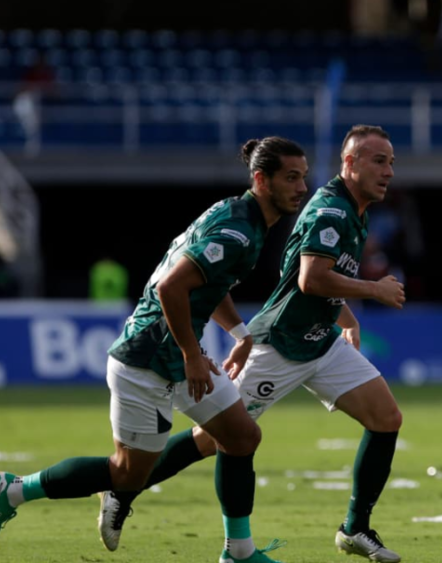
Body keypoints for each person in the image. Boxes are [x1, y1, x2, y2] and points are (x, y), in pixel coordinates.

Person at [96, 125, 407, 562]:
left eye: (391, 162)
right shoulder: (332, 211)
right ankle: (124, 490)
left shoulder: (353, 209)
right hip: (279, 345)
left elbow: (304, 280)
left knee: (386, 417)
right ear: (350, 163)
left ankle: (354, 529)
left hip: (321, 341)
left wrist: (347, 317)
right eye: (379, 161)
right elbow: (308, 278)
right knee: (213, 439)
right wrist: (373, 290)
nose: (389, 171)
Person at [0, 136, 309, 562]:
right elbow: (171, 287)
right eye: (291, 177)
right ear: (261, 179)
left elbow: (207, 282)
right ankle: (13, 491)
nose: (301, 187)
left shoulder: (240, 216)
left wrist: (240, 332)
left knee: (241, 437)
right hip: (146, 360)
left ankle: (239, 551)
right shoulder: (238, 229)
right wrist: (190, 355)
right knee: (127, 473)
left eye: (303, 177)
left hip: (180, 356)